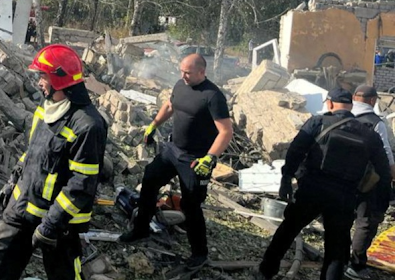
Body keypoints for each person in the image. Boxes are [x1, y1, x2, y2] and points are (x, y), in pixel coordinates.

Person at [0, 44, 108, 280]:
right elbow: (33, 152)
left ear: (60, 78)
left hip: (59, 224)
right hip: (21, 208)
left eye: (43, 76)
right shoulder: (46, 109)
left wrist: (51, 224)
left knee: (64, 276)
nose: (39, 82)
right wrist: (13, 180)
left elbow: (82, 184)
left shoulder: (87, 125)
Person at [256, 88, 391, 280]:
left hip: (312, 189)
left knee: (287, 231)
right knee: (336, 248)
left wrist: (286, 179)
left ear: (329, 103)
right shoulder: (369, 134)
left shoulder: (318, 122)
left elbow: (296, 151)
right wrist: (379, 200)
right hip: (345, 196)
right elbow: (383, 171)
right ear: (351, 106)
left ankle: (266, 271)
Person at [119, 54, 233, 274]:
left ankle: (199, 254)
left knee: (191, 206)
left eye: (188, 73)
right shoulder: (181, 85)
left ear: (202, 72)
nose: (183, 76)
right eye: (181, 71)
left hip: (195, 160)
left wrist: (210, 157)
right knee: (150, 180)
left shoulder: (213, 96)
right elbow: (170, 106)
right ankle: (141, 228)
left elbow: (226, 131)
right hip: (172, 150)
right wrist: (153, 124)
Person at [346, 85, 395, 280]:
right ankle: (356, 266)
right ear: (373, 101)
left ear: (354, 98)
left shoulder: (338, 117)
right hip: (367, 181)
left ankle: (337, 260)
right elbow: (385, 154)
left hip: (337, 178)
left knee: (340, 220)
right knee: (365, 222)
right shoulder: (376, 123)